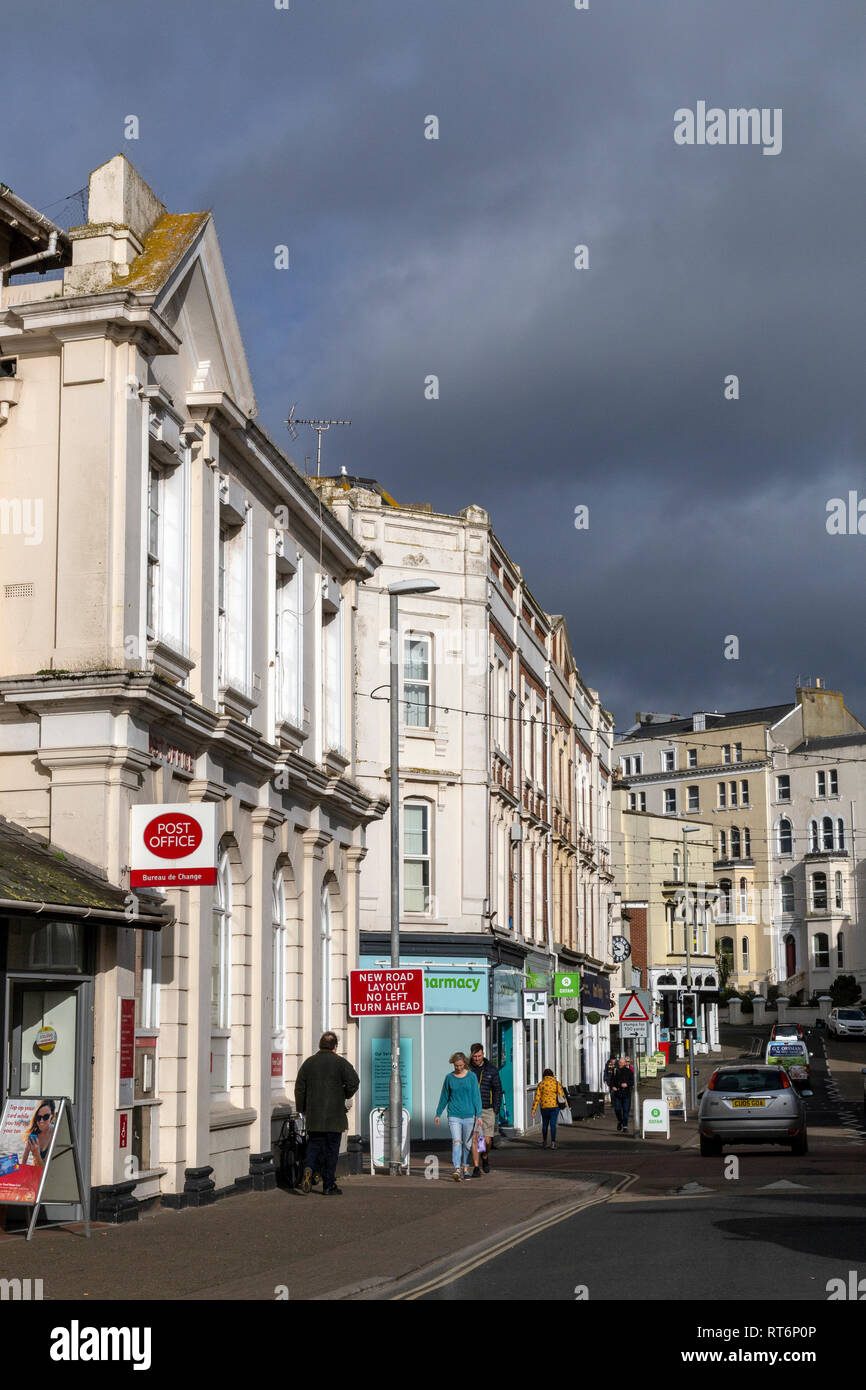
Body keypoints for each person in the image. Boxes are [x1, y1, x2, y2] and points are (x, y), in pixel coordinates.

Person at [294, 1032, 359, 1195]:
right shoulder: (340, 1063)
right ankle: (328, 1185)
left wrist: (301, 1108)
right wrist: (344, 1094)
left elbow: (299, 1088)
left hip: (314, 1117)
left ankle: (308, 1168)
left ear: (320, 1045)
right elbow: (354, 1082)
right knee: (331, 1151)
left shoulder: (309, 1063)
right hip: (334, 1118)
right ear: (335, 1047)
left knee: (313, 1146)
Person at [434, 1052, 483, 1181]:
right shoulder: (449, 1078)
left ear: (465, 1064)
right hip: (454, 1115)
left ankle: (465, 1168)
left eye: (461, 1065)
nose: (458, 1068)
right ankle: (456, 1169)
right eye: (456, 1066)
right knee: (456, 1142)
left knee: (467, 1145)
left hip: (469, 1115)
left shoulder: (471, 1077)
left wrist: (479, 1115)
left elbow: (476, 1096)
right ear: (453, 1064)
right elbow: (444, 1096)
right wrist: (438, 1113)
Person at [468, 1043, 502, 1176]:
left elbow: (498, 1089)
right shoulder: (468, 1069)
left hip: (488, 1109)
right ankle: (476, 1168)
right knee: (476, 1138)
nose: (477, 1058)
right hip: (472, 1110)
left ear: (483, 1054)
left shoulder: (491, 1070)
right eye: (474, 1056)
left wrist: (496, 1108)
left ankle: (485, 1157)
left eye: (479, 1056)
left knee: (487, 1141)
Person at [531, 1068, 567, 1148]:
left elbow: (537, 1098)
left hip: (544, 1107)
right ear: (552, 1075)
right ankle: (553, 1143)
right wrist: (566, 1106)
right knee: (553, 1125)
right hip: (554, 1107)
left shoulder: (541, 1084)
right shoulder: (556, 1084)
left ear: (544, 1075)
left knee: (545, 1125)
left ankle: (544, 1142)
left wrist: (533, 1110)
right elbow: (562, 1095)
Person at [21, 1099, 56, 1167]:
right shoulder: (35, 1133)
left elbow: (45, 1168)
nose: (41, 1121)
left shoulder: (55, 1134)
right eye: (39, 1117)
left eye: (46, 1117)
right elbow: (25, 1158)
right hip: (35, 1173)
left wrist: (36, 1154)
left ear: (52, 1116)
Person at [612, 1055, 635, 1133]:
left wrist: (627, 1084)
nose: (620, 1064)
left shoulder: (629, 1072)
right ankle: (620, 1121)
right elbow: (611, 1080)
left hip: (626, 1093)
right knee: (617, 1109)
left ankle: (625, 1126)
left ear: (625, 1063)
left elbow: (633, 1081)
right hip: (617, 1093)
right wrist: (612, 1086)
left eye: (621, 1063)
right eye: (619, 1063)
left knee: (626, 1110)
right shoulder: (615, 1070)